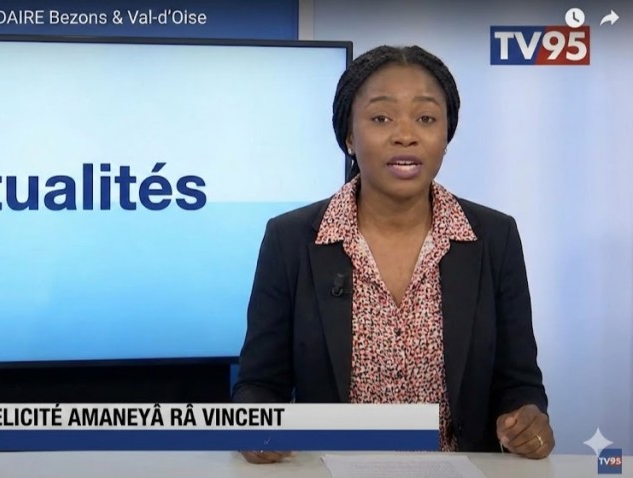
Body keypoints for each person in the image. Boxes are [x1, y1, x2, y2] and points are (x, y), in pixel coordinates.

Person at [232, 45, 554, 464]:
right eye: (381, 118)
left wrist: (526, 422)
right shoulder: (290, 240)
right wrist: (257, 424)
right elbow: (259, 384)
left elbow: (519, 384)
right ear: (349, 136)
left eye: (426, 118)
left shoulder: (493, 238)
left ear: (446, 136)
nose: (406, 135)